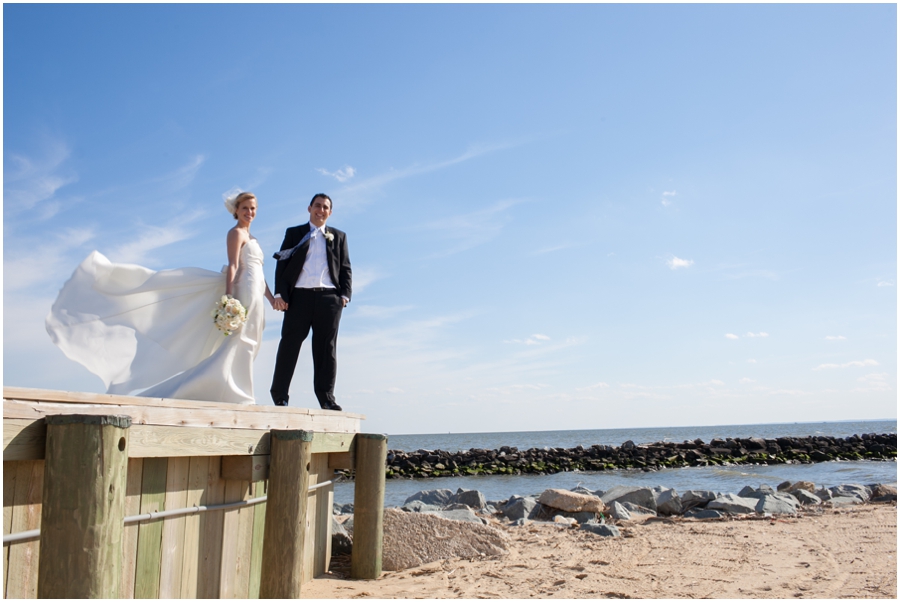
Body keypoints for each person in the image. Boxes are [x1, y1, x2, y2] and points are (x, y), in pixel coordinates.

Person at [46, 191, 279, 404]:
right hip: (244, 290)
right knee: (241, 340)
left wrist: (270, 297)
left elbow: (260, 273)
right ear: (236, 210)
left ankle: (233, 388)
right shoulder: (236, 233)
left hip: (257, 291)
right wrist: (229, 297)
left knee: (252, 340)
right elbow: (233, 265)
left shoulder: (254, 238)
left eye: (253, 208)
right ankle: (237, 393)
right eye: (246, 208)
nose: (250, 212)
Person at [270, 193, 351, 411]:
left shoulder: (339, 236)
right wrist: (280, 294)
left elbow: (345, 268)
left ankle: (326, 398)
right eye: (317, 206)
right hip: (299, 298)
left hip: (329, 299)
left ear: (330, 212)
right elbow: (282, 263)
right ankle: (280, 396)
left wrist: (344, 296)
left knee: (326, 349)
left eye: (325, 207)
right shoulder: (294, 233)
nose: (321, 210)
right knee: (289, 345)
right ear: (309, 208)